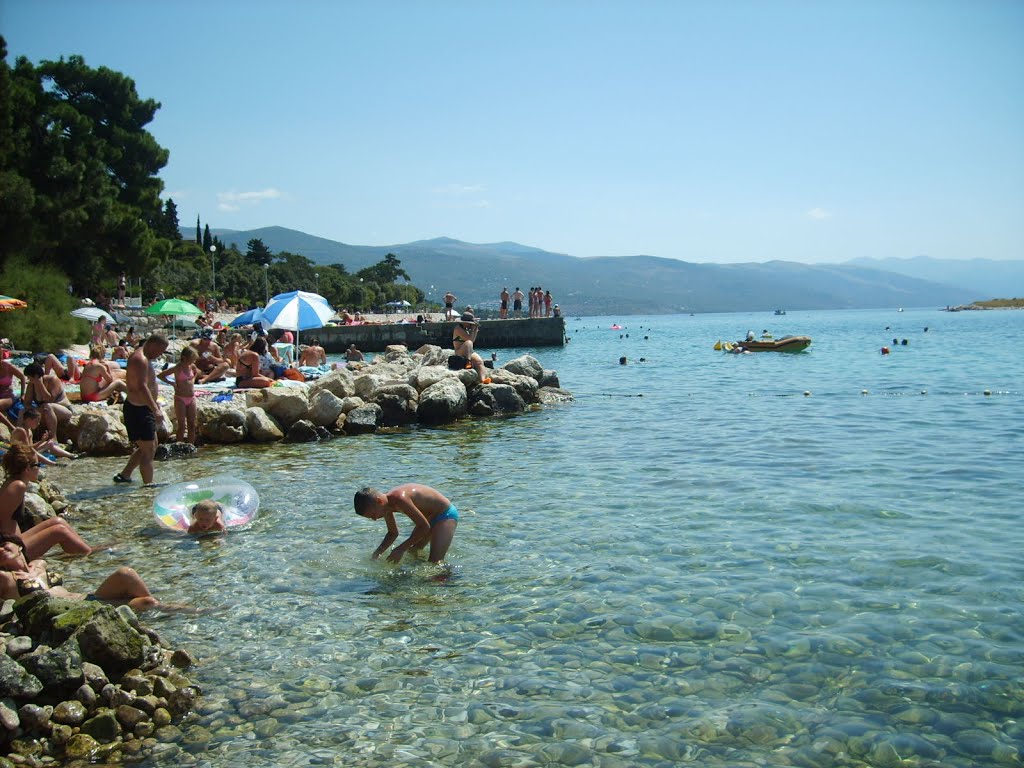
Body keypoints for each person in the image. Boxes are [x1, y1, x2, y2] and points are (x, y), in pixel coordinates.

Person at [0, 533, 158, 612]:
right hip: (75, 610)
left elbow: (63, 555)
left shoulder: (39, 564)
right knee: (147, 602)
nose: (1, 549)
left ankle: (164, 611)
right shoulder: (7, 579)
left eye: (4, 544)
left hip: (87, 598)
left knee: (126, 573)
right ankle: (171, 611)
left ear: (19, 545)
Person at [0, 444, 95, 558]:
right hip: (9, 549)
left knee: (58, 521)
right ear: (27, 468)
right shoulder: (17, 486)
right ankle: (89, 556)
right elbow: (2, 523)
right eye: (37, 464)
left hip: (15, 541)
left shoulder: (13, 482)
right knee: (59, 531)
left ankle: (85, 550)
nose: (39, 468)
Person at [353, 483, 459, 564]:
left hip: (445, 515)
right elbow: (392, 533)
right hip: (428, 519)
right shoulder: (386, 507)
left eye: (373, 515)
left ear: (379, 501)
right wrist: (377, 554)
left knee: (435, 562)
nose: (375, 519)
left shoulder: (399, 499)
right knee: (413, 552)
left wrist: (400, 548)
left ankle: (449, 583)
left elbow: (424, 527)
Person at [114, 333, 169, 485]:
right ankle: (148, 487)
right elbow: (141, 386)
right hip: (138, 409)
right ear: (153, 345)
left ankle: (125, 475)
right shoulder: (140, 359)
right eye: (160, 351)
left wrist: (154, 405)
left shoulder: (144, 358)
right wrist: (155, 409)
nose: (160, 355)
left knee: (150, 445)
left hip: (144, 408)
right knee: (148, 450)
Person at [157, 346, 201, 445]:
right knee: (181, 425)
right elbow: (161, 375)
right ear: (185, 357)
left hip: (191, 397)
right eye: (192, 359)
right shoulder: (178, 368)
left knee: (192, 424)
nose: (193, 361)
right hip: (180, 398)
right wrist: (172, 383)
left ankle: (191, 445)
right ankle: (179, 445)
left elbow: (197, 373)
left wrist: (193, 379)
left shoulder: (192, 367)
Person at [23, 362, 73, 440]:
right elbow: (27, 402)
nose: (29, 380)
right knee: (22, 411)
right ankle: (21, 436)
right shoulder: (31, 384)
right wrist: (33, 409)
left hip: (63, 409)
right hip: (43, 409)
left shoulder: (52, 380)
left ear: (36, 376)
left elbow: (50, 399)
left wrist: (40, 384)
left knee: (47, 406)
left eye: (30, 378)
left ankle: (53, 437)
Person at [11, 408, 76, 465]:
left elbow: (30, 447)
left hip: (27, 451)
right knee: (35, 451)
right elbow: (29, 449)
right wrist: (41, 441)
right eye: (36, 421)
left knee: (49, 443)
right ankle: (53, 463)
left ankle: (71, 455)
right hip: (19, 454)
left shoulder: (29, 430)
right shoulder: (21, 431)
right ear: (28, 420)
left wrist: (43, 441)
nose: (38, 424)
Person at [452, 310, 491, 384]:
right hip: (459, 351)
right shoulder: (458, 329)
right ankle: (468, 362)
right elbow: (469, 340)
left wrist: (475, 331)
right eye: (470, 324)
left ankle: (483, 379)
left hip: (469, 351)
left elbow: (472, 341)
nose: (470, 325)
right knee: (468, 342)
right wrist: (472, 330)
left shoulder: (467, 329)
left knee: (479, 362)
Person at [0, 357, 26, 423]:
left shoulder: (8, 366)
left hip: (7, 396)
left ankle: (11, 427)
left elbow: (22, 377)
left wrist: (22, 394)